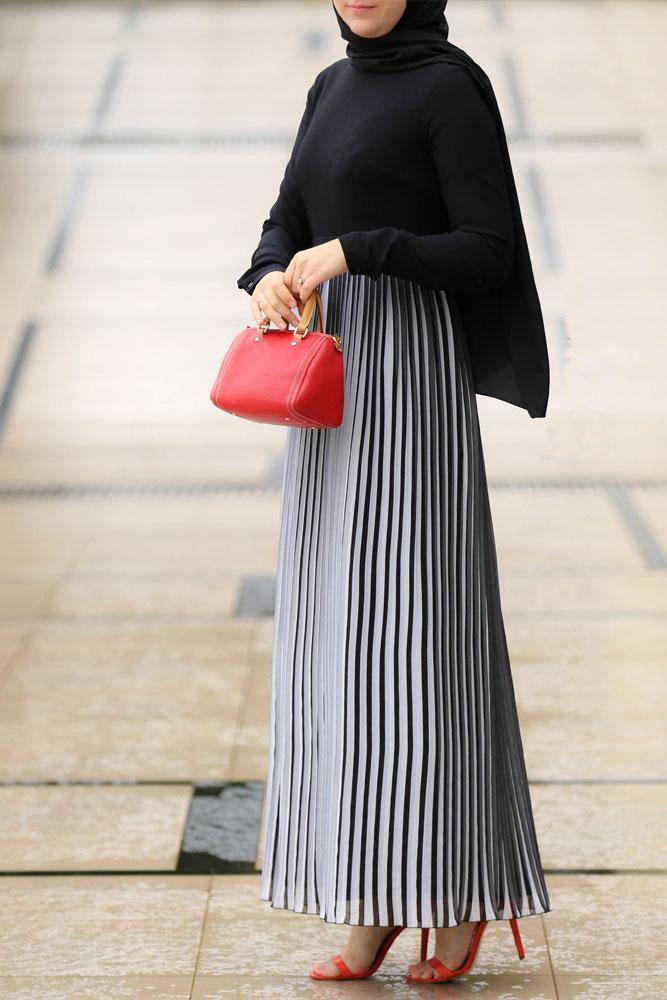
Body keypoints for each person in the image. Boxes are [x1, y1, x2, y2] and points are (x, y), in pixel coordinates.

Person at [237, 0, 551, 984]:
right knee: (342, 646)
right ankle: (370, 894)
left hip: (409, 393)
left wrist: (359, 248)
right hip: (328, 399)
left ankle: (449, 896)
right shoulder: (331, 86)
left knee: (419, 641)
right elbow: (287, 217)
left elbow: (487, 249)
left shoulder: (449, 86)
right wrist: (262, 276)